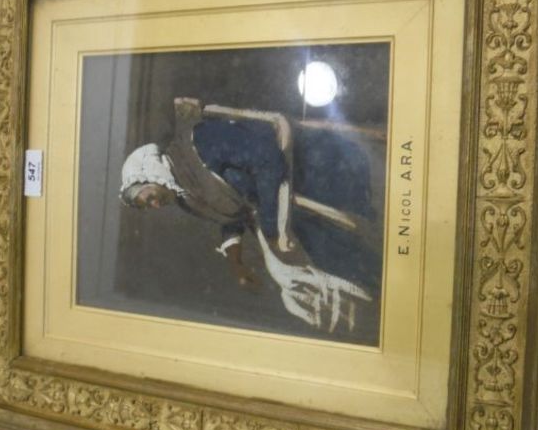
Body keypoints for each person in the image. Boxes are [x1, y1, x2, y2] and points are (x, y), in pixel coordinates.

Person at [120, 97, 371, 332]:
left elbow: (268, 157)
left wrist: (272, 227)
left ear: (152, 173)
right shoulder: (184, 198)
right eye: (148, 206)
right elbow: (231, 215)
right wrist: (236, 262)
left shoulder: (200, 142)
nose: (156, 205)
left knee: (353, 257)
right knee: (305, 278)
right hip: (287, 224)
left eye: (150, 197)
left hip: (312, 176)